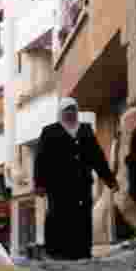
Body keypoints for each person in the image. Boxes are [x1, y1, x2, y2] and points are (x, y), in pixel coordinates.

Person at [34, 97, 118, 260]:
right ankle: (57, 253)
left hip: (82, 185)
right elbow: (41, 160)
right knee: (59, 217)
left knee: (82, 218)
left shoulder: (85, 130)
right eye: (67, 110)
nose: (70, 113)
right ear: (60, 113)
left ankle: (82, 252)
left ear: (77, 111)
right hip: (58, 186)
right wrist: (39, 184)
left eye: (73, 109)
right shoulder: (50, 131)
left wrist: (109, 180)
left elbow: (97, 158)